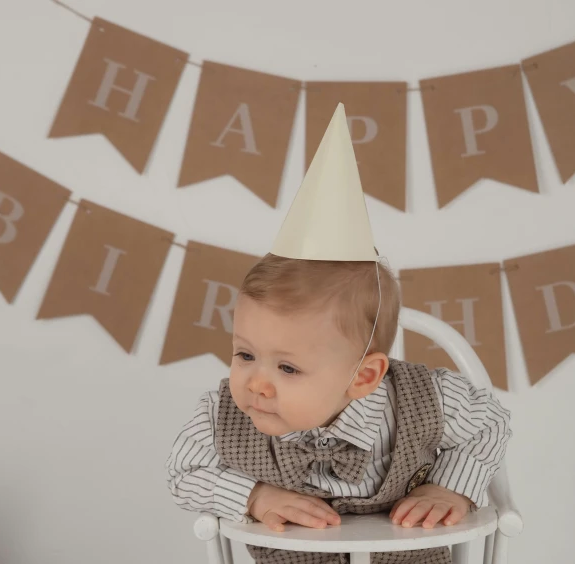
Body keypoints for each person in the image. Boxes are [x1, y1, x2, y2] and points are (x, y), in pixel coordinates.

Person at [166, 104, 511, 564]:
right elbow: (182, 471)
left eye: (287, 366)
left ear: (364, 377)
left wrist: (450, 486)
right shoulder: (222, 414)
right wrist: (253, 496)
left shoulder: (426, 400)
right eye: (245, 354)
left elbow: (489, 424)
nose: (256, 382)